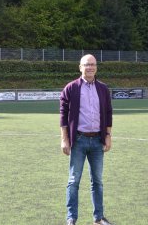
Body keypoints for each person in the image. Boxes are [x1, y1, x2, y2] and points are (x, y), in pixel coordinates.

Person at [60, 54, 114, 225]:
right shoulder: (71, 88)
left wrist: (108, 135)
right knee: (73, 180)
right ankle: (71, 218)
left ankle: (98, 218)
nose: (90, 67)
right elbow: (63, 116)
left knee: (97, 180)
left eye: (92, 64)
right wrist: (64, 139)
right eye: (86, 65)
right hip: (78, 141)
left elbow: (108, 113)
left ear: (96, 67)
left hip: (98, 141)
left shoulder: (103, 89)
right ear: (80, 67)